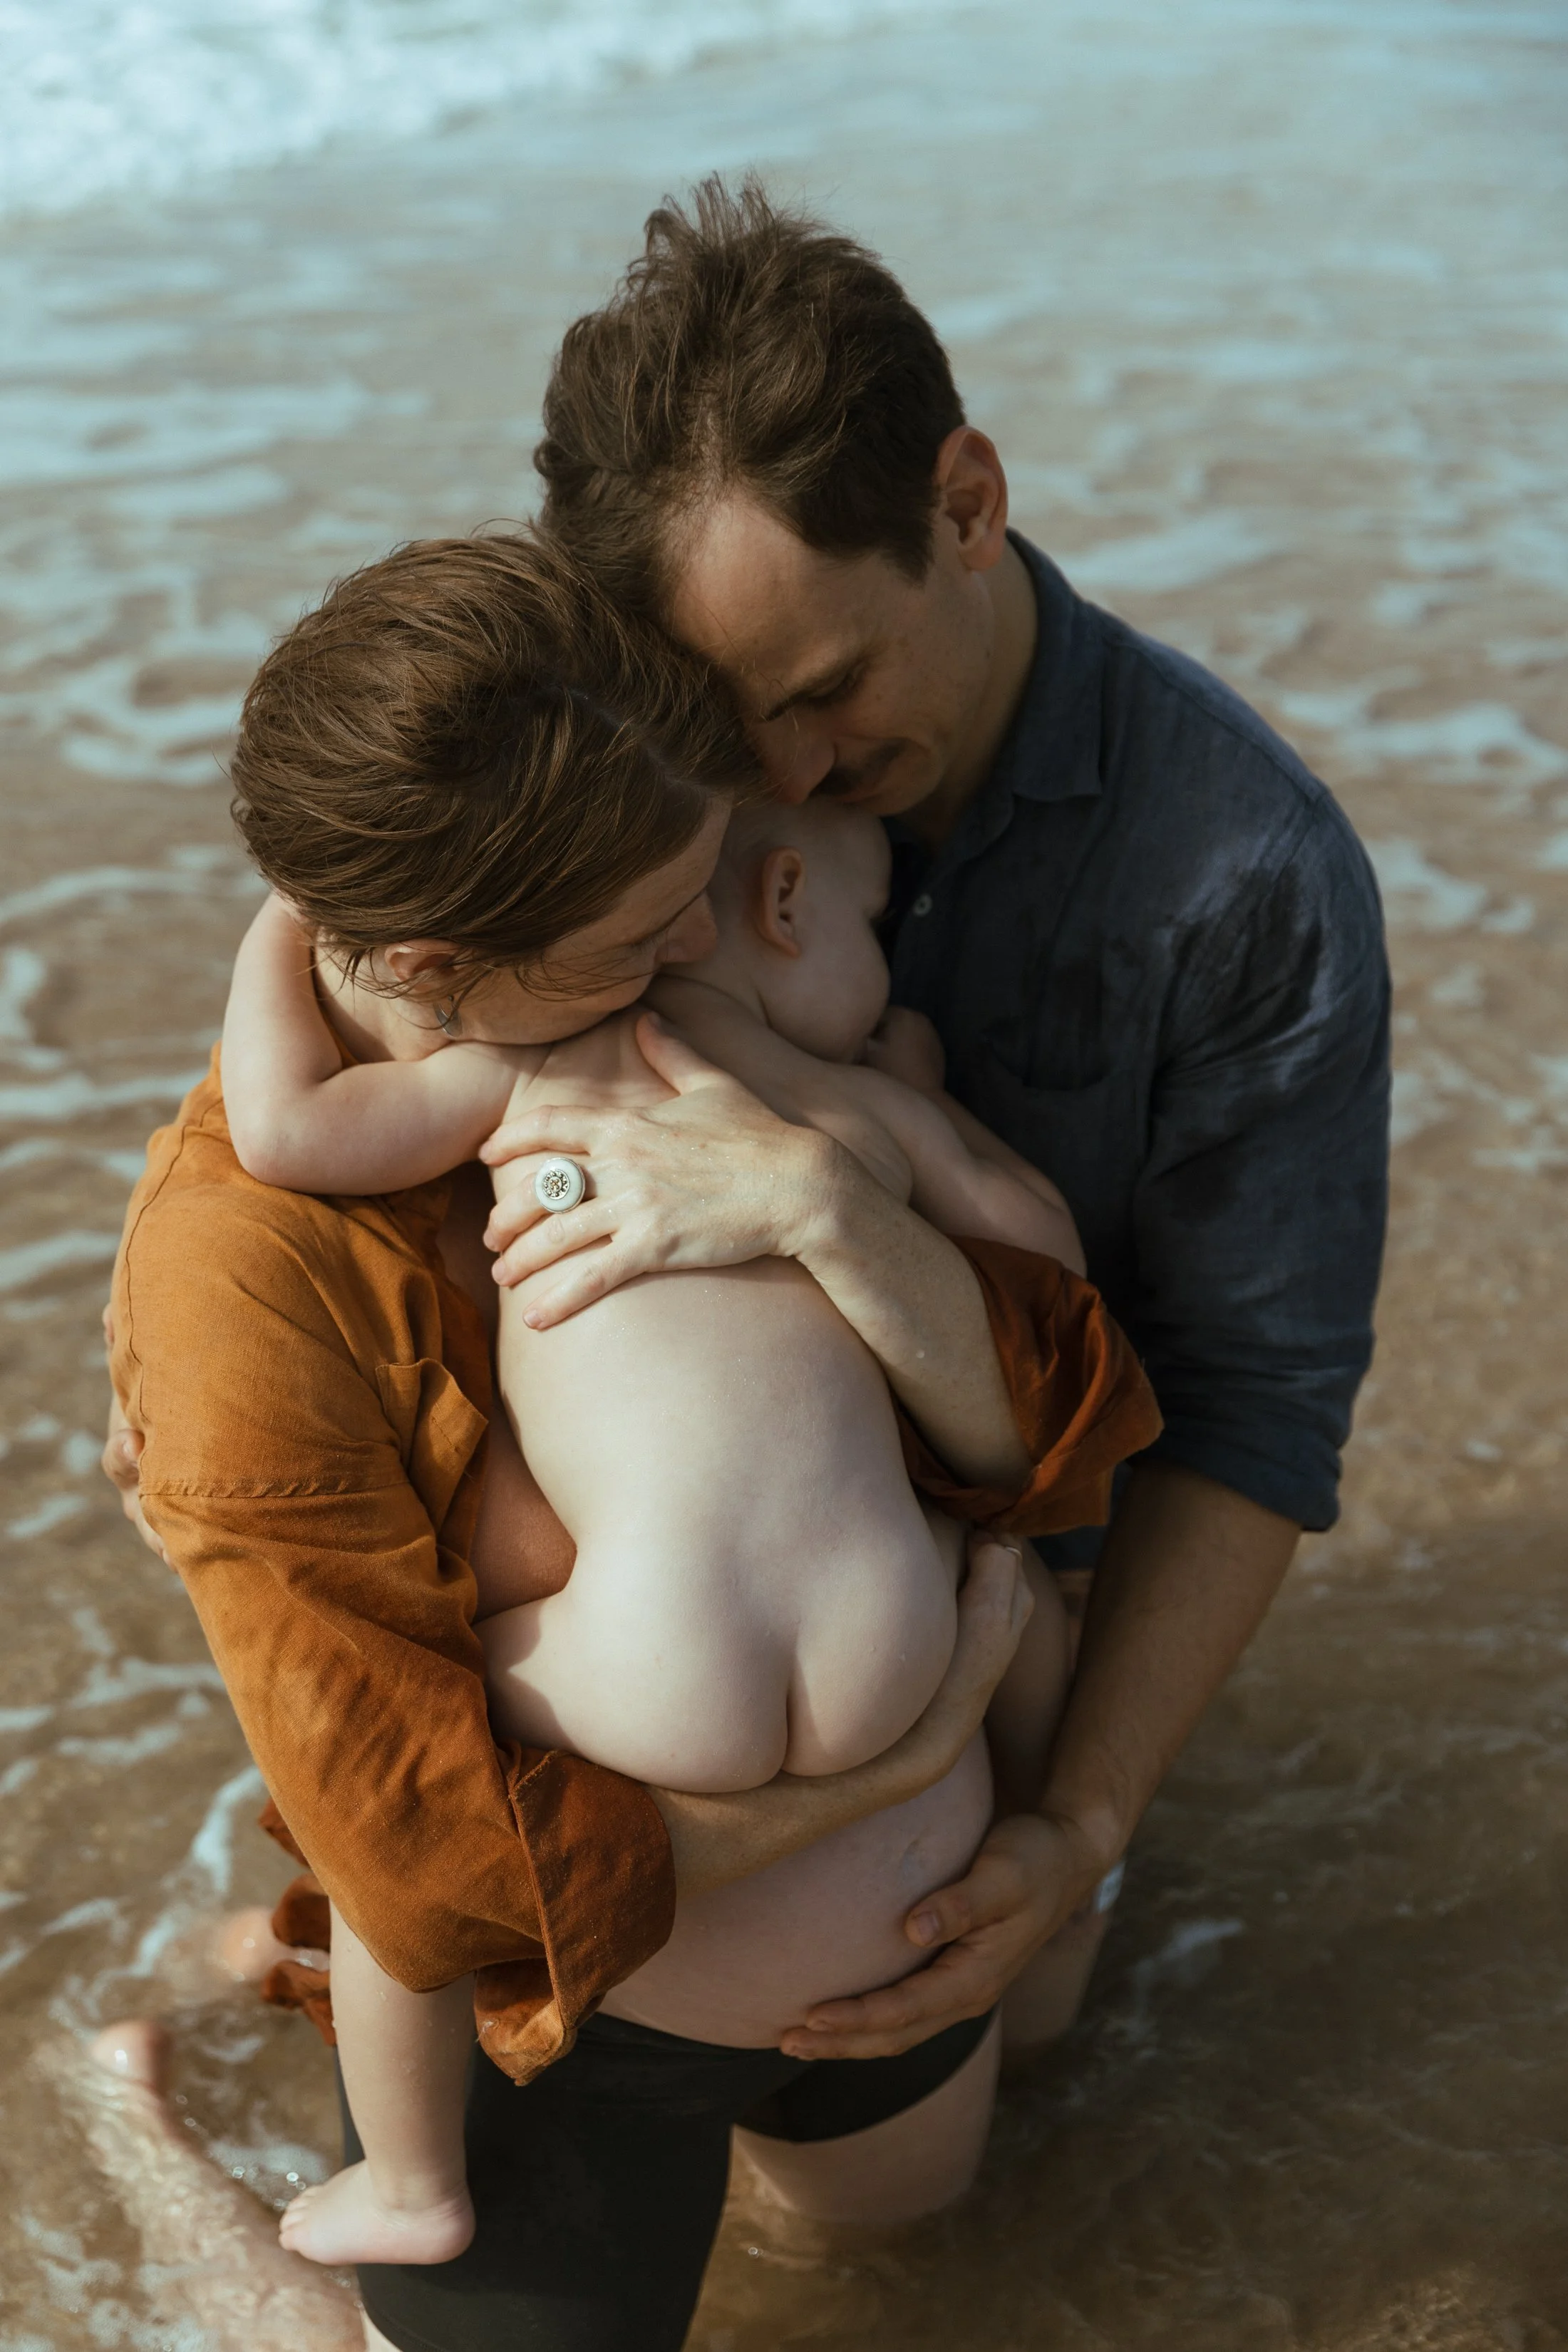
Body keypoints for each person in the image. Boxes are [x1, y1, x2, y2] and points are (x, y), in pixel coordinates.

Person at [103, 529, 1157, 2350]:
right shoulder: (245, 1284)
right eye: (635, 932)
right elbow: (417, 1846)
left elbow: (1057, 1429)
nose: (693, 943)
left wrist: (832, 1208)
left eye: (697, 890)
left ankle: (245, 1969)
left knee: (909, 2265)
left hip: (887, 1956)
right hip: (568, 2027)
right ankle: (152, 2133)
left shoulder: (639, 979)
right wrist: (886, 1767)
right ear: (433, 960)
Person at [527, 176, 1391, 2061]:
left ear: (967, 505)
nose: (779, 776)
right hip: (604, 1597)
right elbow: (385, 950)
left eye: (827, 692)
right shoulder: (623, 732)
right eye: (726, 725)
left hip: (1007, 1626)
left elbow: (1251, 1404)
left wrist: (1080, 1823)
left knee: (1030, 2083)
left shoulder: (1246, 878)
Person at [217, 784, 1110, 2271]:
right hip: (889, 1631)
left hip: (653, 1655)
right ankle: (1061, 1860)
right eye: (879, 929)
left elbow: (289, 1128)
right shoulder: (842, 1117)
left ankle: (413, 2184)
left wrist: (283, 918)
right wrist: (916, 1108)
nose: (895, 984)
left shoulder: (531, 1073)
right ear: (784, 904)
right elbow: (1044, 1256)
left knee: (391, 1811)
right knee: (1008, 1587)